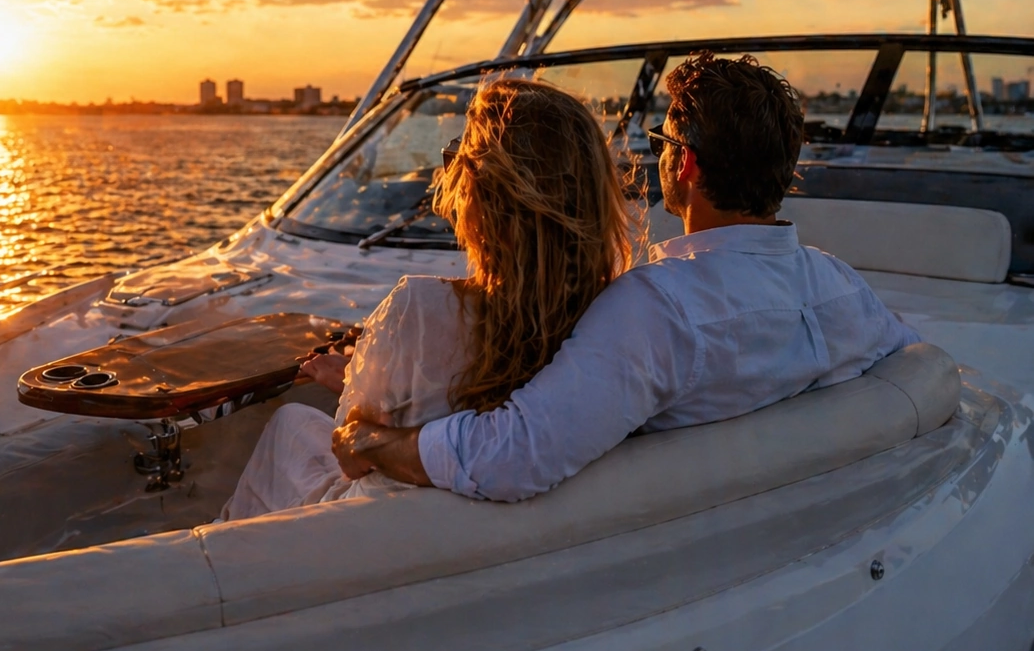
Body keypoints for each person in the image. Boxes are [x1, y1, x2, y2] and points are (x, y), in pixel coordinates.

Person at [329, 52, 922, 502]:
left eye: (661, 141)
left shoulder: (658, 307)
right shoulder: (840, 285)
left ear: (684, 163)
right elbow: (914, 363)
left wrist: (372, 441)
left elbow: (512, 455)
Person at [219, 78, 634, 520]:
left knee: (289, 426)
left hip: (373, 528)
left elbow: (351, 451)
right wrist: (365, 372)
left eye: (457, 157)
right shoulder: (614, 315)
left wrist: (367, 374)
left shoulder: (417, 310)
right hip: (469, 530)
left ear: (482, 196)